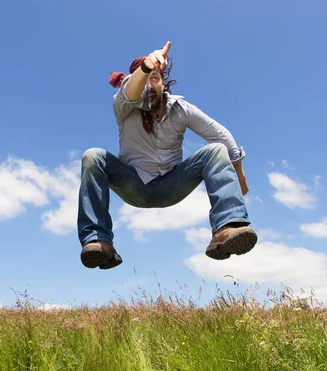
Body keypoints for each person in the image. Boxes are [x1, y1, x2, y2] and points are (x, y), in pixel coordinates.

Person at [77, 41, 258, 269]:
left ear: (163, 82)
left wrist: (239, 174)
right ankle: (99, 241)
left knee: (215, 150)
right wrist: (144, 68)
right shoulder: (123, 105)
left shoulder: (181, 109)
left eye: (155, 78)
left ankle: (227, 227)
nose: (148, 86)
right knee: (93, 156)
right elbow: (131, 93)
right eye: (143, 80)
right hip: (135, 186)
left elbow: (221, 135)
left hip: (172, 185)